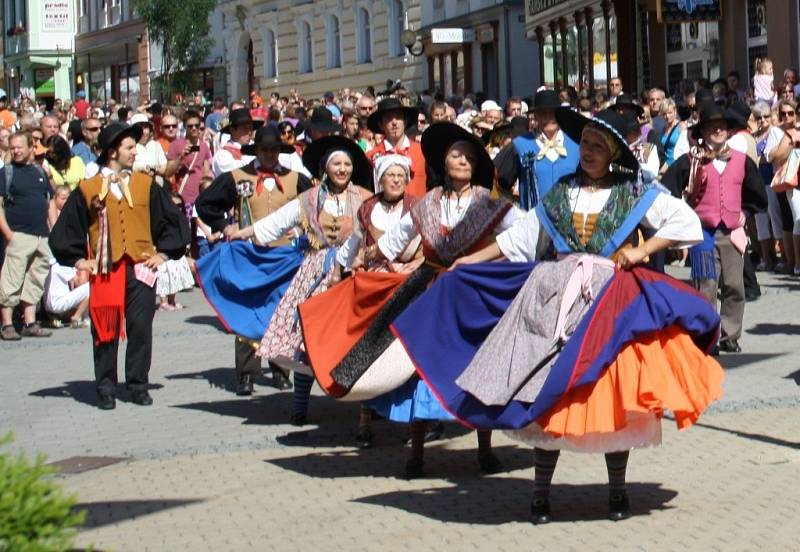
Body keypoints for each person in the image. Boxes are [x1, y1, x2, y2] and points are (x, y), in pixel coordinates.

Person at [391, 108, 723, 522]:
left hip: (608, 298)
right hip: (553, 293)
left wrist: (641, 250)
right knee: (541, 389)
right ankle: (540, 493)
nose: (589, 151)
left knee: (609, 392)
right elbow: (520, 238)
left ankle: (616, 491)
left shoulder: (633, 190)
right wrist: (470, 262)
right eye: (585, 143)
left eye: (598, 145)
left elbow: (686, 222)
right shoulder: (562, 191)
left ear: (615, 152)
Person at [359, 122, 524, 478]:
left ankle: (485, 450)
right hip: (431, 293)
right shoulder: (429, 203)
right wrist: (363, 257)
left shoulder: (492, 204)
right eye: (455, 154)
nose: (462, 161)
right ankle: (416, 454)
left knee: (478, 366)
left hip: (473, 297)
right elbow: (394, 240)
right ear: (443, 161)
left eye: (468, 155)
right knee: (421, 368)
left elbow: (524, 235)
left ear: (477, 163)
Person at [229, 136, 373, 421]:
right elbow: (278, 222)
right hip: (315, 272)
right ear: (326, 168)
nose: (342, 169)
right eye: (337, 164)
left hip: (352, 273)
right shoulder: (309, 199)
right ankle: (300, 406)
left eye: (347, 164)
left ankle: (365, 411)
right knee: (305, 341)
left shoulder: (366, 198)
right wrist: (243, 233)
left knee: (356, 340)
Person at [49, 123, 190, 409]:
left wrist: (163, 254)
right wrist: (79, 260)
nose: (134, 152)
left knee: (140, 326)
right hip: (105, 269)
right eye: (129, 147)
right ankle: (105, 386)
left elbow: (171, 219)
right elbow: (66, 229)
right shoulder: (88, 188)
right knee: (105, 326)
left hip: (140, 267)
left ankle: (138, 384)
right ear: (113, 152)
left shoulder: (145, 184)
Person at [299, 154, 424, 448]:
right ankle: (365, 421)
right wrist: (336, 275)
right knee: (367, 352)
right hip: (374, 288)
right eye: (390, 175)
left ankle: (412, 424)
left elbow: (431, 245)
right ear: (380, 179)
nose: (395, 180)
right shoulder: (367, 210)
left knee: (406, 356)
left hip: (409, 288)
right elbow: (352, 245)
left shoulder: (417, 208)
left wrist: (416, 265)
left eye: (400, 175)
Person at [195, 125, 312, 395]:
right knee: (248, 311)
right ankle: (247, 373)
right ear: (256, 150)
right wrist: (225, 227)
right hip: (250, 254)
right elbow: (206, 204)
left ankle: (282, 370)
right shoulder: (238, 176)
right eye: (264, 149)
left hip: (284, 256)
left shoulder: (296, 179)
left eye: (274, 149)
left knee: (283, 312)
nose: (270, 154)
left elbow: (313, 207)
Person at [662, 104, 768, 353]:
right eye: (712, 127)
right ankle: (707, 336)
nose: (718, 130)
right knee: (706, 287)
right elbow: (667, 189)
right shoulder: (691, 160)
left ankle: (730, 335)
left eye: (722, 126)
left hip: (732, 233)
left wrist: (745, 213)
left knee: (734, 286)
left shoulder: (742, 161)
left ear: (729, 131)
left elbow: (758, 195)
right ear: (704, 131)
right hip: (703, 234)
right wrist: (681, 216)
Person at [0, 132, 54, 340]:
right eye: (12, 147)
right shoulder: (6, 173)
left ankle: (30, 322)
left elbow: (49, 201)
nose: (16, 150)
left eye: (19, 147)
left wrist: (53, 229)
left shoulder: (39, 172)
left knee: (35, 280)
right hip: (19, 234)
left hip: (41, 235)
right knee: (12, 280)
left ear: (31, 148)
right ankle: (7, 325)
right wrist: (8, 233)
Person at [494, 89, 580, 209]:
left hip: (569, 224)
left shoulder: (576, 146)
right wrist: (514, 210)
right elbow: (497, 181)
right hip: (533, 223)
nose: (549, 117)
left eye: (553, 113)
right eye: (543, 113)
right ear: (535, 116)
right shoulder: (520, 144)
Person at [366, 98, 427, 197]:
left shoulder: (422, 152)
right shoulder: (371, 157)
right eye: (389, 118)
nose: (394, 122)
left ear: (405, 121)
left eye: (398, 117)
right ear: (381, 125)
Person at [166, 110, 212, 212]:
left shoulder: (204, 146)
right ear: (185, 126)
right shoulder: (176, 145)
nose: (194, 128)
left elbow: (206, 172)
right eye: (190, 126)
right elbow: (168, 172)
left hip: (200, 198)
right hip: (184, 198)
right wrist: (181, 157)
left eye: (197, 125)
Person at [155, 192, 195, 311]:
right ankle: (163, 302)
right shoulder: (162, 218)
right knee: (164, 278)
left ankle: (172, 300)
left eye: (179, 205)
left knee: (176, 277)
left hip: (178, 252)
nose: (176, 208)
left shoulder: (182, 218)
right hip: (163, 252)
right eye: (173, 205)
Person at [211, 108, 256, 177]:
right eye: (244, 128)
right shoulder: (222, 155)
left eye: (250, 128)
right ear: (232, 130)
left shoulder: (256, 148)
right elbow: (237, 173)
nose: (249, 132)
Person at [130, 114, 167, 186]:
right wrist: (142, 167)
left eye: (145, 128)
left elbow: (163, 167)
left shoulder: (156, 145)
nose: (144, 132)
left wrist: (154, 170)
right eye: (140, 128)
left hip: (156, 187)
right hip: (136, 186)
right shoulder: (130, 146)